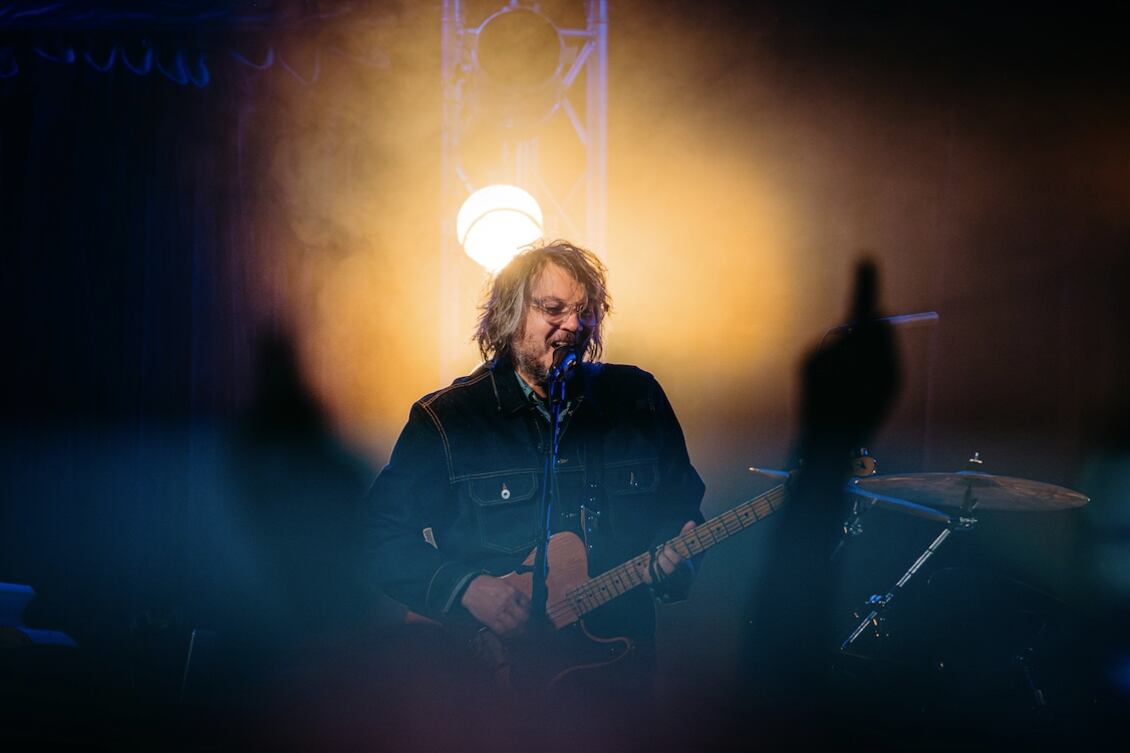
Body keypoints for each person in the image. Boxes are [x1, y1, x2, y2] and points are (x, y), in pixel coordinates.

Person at [364, 240, 705, 736]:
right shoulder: (449, 420)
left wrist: (680, 557)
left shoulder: (637, 400)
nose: (573, 325)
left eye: (585, 312)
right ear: (509, 314)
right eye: (553, 309)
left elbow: (678, 510)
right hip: (490, 695)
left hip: (616, 688)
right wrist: (467, 588)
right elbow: (376, 536)